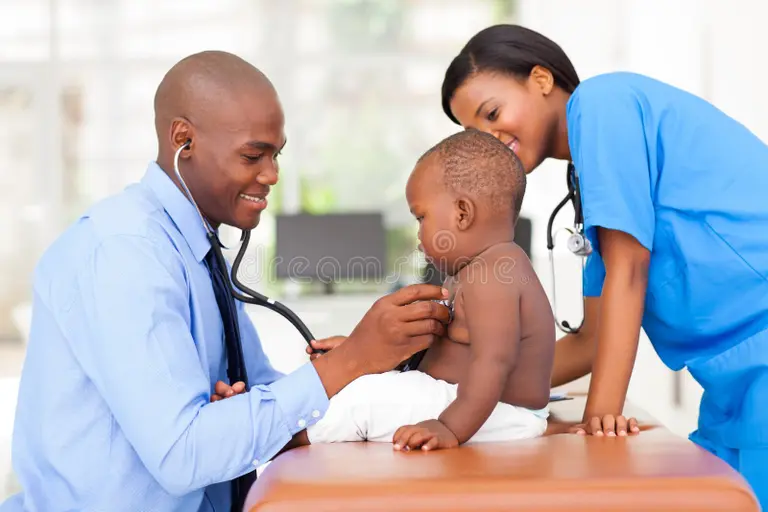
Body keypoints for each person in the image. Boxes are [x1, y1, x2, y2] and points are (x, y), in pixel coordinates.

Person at [0, 51, 451, 512]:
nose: (272, 174)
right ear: (184, 140)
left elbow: (262, 395)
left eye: (276, 155)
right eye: (253, 155)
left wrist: (359, 369)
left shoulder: (198, 249)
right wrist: (349, 362)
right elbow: (183, 455)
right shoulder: (123, 253)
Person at [438, 23, 768, 507]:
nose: (488, 138)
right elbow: (590, 341)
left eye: (492, 113)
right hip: (732, 384)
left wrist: (601, 419)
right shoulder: (589, 182)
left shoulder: (601, 104)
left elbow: (628, 271)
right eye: (473, 132)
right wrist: (467, 388)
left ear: (541, 79)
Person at [286, 130, 554, 451]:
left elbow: (493, 362)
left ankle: (282, 436)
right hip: (468, 401)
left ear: (462, 213)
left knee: (365, 402)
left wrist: (449, 427)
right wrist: (364, 355)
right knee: (360, 384)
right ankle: (276, 414)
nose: (418, 237)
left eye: (420, 217)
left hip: (496, 412)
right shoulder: (471, 270)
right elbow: (449, 350)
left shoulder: (494, 273)